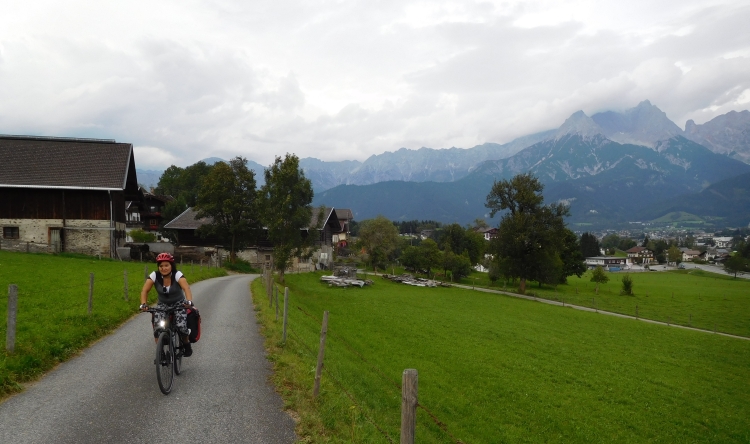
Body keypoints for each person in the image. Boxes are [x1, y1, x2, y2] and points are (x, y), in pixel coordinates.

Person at [140, 252, 195, 356]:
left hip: (179, 304)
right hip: (163, 305)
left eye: (166, 265)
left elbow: (186, 288)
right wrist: (143, 303)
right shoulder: (154, 275)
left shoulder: (177, 275)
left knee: (181, 326)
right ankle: (160, 350)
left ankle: (186, 344)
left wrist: (189, 301)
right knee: (158, 327)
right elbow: (144, 291)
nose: (163, 268)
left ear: (171, 266)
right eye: (161, 266)